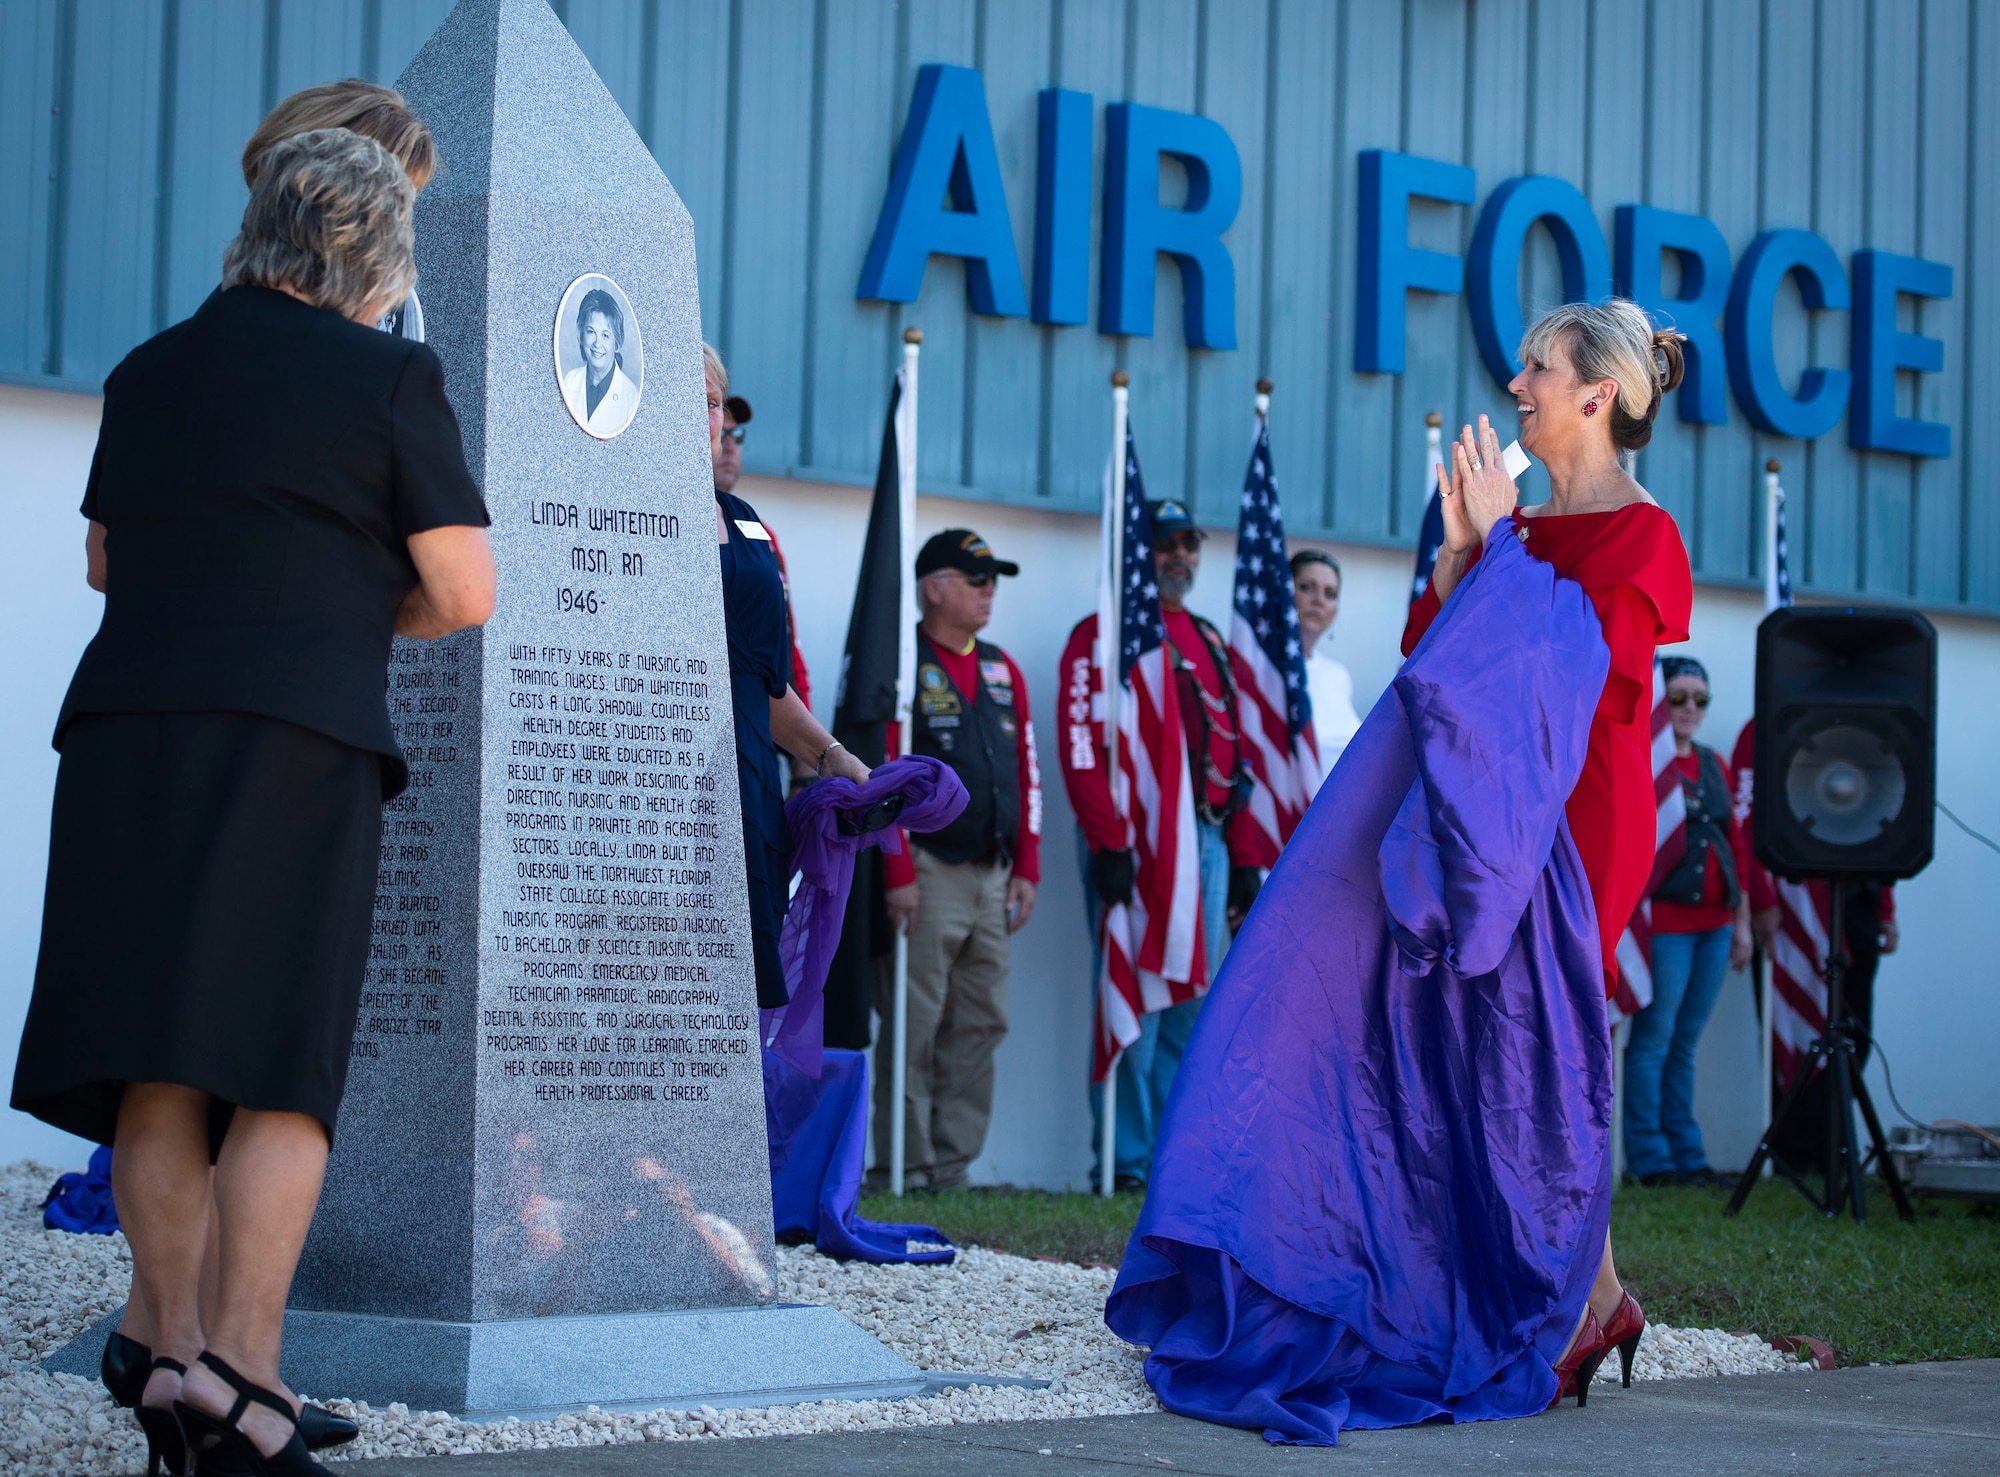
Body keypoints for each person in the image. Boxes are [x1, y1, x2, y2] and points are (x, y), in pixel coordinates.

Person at [1105, 299, 1692, 1441]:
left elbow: (1568, 679)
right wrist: (1473, 550)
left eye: (1536, 368)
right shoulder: (1513, 521)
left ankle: (1561, 1292)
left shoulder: (1641, 535)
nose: (1514, 385)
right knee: (1424, 1028)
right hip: (1452, 811)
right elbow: (1440, 658)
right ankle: (1586, 1297)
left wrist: (1500, 545)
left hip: (1570, 824)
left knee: (1530, 1043)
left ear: (1596, 394)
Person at [10, 128, 496, 1477]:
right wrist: (343, 617)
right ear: (373, 251)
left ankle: (165, 1358)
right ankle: (242, 1381)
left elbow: (110, 561)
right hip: (290, 743)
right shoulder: (392, 377)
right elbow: (463, 592)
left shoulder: (148, 370)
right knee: (280, 1070)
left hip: (124, 738)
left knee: (162, 1059)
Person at [1058, 499, 1259, 1191]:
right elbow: (1080, 748)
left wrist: (1242, 856)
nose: (1179, 556)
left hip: (1206, 842)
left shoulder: (1208, 638)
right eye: (1164, 544)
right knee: (1136, 997)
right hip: (1135, 845)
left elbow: (1238, 752)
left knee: (1192, 1006)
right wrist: (1107, 842)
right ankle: (1125, 1162)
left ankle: (1173, 1165)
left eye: (1188, 544)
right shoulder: (1099, 638)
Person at [868, 529, 1042, 1192]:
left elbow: (1026, 773)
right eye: (975, 579)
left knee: (980, 1019)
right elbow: (879, 774)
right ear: (932, 587)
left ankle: (951, 1167)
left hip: (993, 874)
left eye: (993, 578)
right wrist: (899, 872)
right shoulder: (901, 660)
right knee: (914, 1021)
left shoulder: (1003, 669)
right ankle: (902, 1165)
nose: (988, 590)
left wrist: (1027, 864)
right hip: (928, 870)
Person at [705, 344, 869, 1011]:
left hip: (753, 787)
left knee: (746, 1006)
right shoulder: (631, 514)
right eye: (688, 399)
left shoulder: (745, 522)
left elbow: (766, 684)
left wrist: (831, 758)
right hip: (671, 793)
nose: (706, 418)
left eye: (713, 404)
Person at [1624, 657, 1753, 1187]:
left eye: (1700, 699)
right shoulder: (1648, 761)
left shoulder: (1714, 763)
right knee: (1654, 1039)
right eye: (1678, 697)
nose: (1690, 709)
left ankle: (1687, 1153)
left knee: (1686, 1042)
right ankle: (1649, 1160)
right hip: (1668, 924)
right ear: (1661, 702)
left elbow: (1737, 845)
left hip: (1717, 923)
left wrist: (1742, 923)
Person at [713, 391, 813, 762]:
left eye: (737, 436)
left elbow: (787, 646)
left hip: (765, 737)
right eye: (722, 430)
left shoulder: (759, 535)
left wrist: (807, 767)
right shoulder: (662, 526)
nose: (729, 445)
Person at [1289, 549, 1362, 788]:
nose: (1319, 600)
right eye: (1307, 587)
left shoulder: (1337, 675)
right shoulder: (1263, 671)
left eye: (1330, 593)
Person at [560, 288, 641, 437]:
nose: (597, 344)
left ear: (617, 343)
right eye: (591, 332)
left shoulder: (631, 398)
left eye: (605, 335)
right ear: (581, 335)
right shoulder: (569, 381)